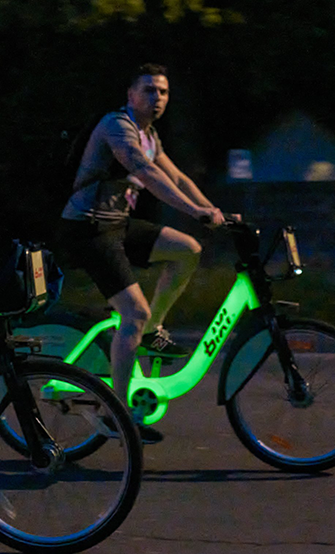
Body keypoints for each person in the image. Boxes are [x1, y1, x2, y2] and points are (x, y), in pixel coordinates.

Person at [55, 63, 225, 443]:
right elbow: (147, 174)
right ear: (131, 95)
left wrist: (215, 211)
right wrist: (193, 212)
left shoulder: (150, 135)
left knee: (187, 250)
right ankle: (117, 410)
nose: (157, 97)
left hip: (117, 223)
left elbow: (178, 177)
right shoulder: (118, 127)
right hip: (87, 228)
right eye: (149, 90)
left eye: (163, 91)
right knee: (133, 311)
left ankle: (151, 331)